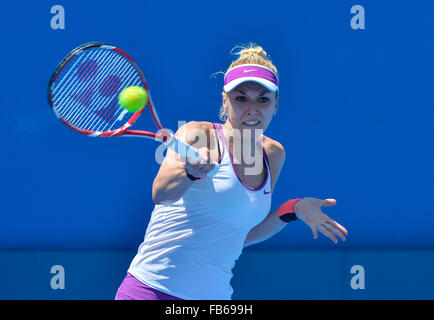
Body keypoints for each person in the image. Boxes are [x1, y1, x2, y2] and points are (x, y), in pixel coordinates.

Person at [115, 44, 348, 300]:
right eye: (240, 98)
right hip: (151, 291)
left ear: (275, 105)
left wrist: (293, 209)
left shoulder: (274, 154)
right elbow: (161, 194)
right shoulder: (197, 134)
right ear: (225, 102)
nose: (252, 109)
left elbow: (239, 236)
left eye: (263, 99)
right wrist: (189, 173)